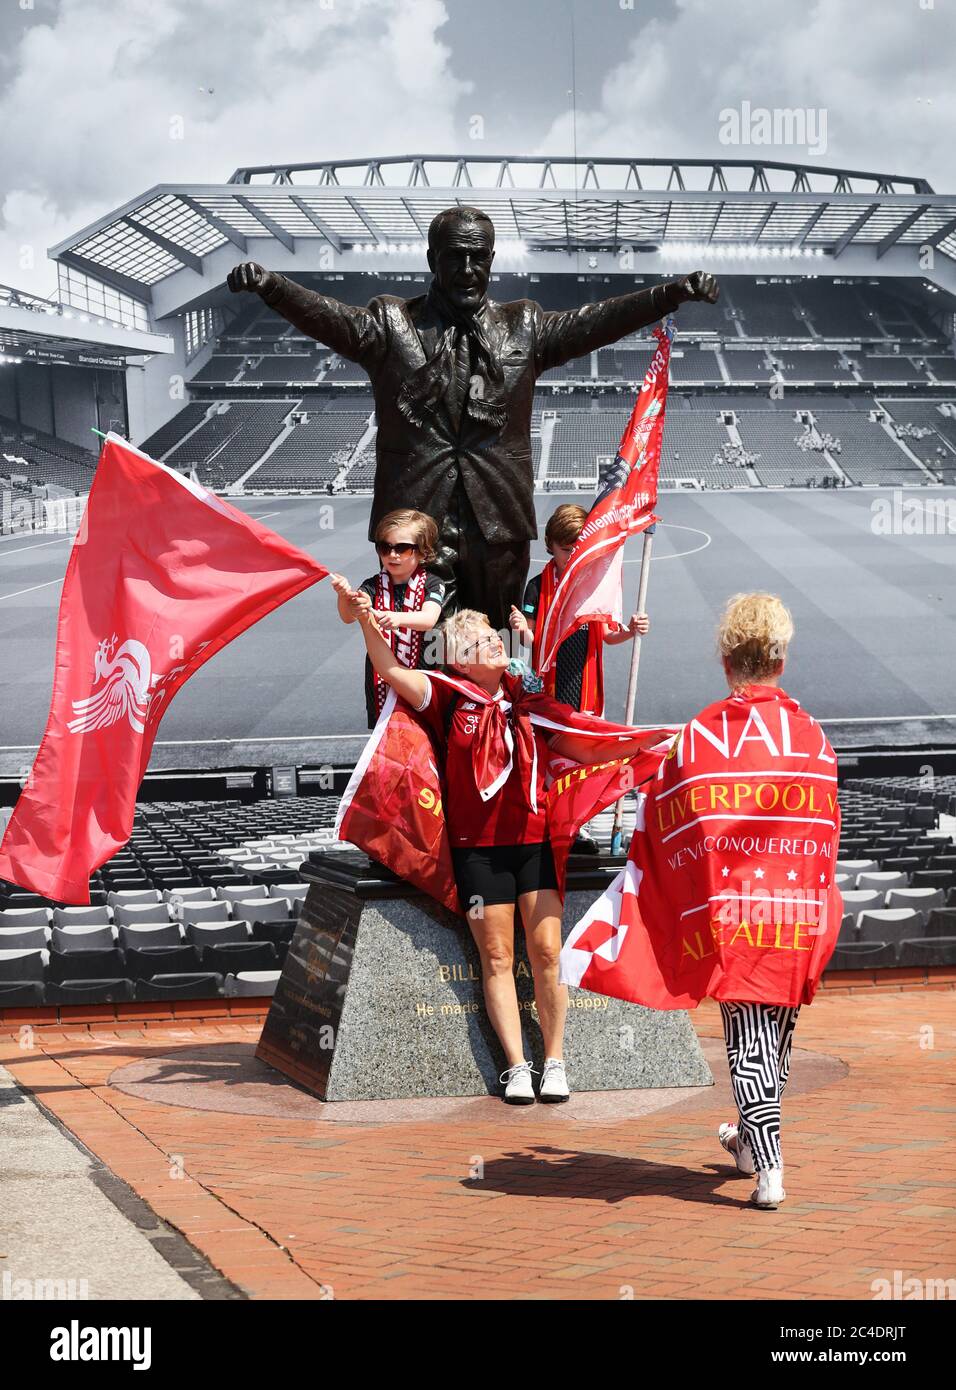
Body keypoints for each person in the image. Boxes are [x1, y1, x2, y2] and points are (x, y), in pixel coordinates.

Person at [227, 207, 719, 628]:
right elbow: (330, 318)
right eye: (454, 256)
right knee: (417, 654)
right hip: (416, 528)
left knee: (495, 651)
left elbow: (595, 321)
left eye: (477, 257)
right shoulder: (391, 323)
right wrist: (273, 287)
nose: (467, 269)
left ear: (491, 260)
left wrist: (668, 294)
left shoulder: (523, 325)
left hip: (498, 525)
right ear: (432, 260)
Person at [349, 599, 665, 1105]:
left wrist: (648, 744)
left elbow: (585, 746)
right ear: (461, 660)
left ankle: (555, 1061)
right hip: (478, 852)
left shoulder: (530, 703)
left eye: (495, 635)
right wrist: (367, 618)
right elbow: (389, 669)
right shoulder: (446, 696)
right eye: (481, 641)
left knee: (547, 953)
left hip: (534, 845)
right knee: (497, 956)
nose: (496, 642)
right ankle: (517, 1067)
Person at [509, 503, 649, 716]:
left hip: (584, 680)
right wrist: (520, 629)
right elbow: (530, 640)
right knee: (550, 730)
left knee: (584, 731)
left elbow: (608, 636)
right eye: (565, 550)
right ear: (550, 544)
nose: (571, 557)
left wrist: (631, 630)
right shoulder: (537, 587)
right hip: (549, 683)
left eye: (577, 550)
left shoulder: (595, 586)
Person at [330, 509, 444, 729]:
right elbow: (348, 617)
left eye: (402, 548)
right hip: (380, 676)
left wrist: (396, 617)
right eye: (385, 547)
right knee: (386, 732)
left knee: (426, 732)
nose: (392, 555)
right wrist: (344, 596)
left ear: (423, 553)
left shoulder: (432, 583)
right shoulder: (372, 585)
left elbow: (428, 619)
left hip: (423, 669)